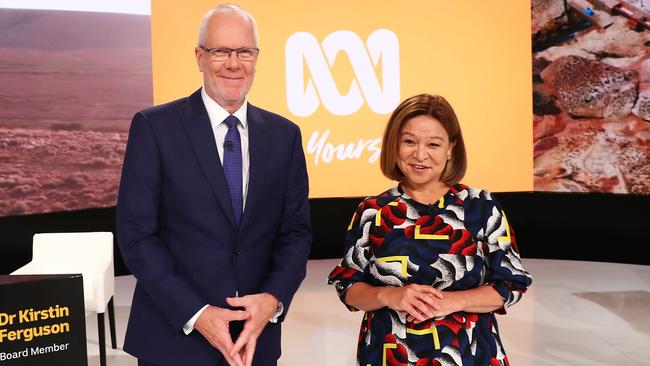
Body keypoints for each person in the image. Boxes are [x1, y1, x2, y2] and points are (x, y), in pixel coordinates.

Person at [116, 4, 311, 366]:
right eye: (220, 51)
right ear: (199, 56)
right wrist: (197, 313)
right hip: (174, 340)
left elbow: (296, 232)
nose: (233, 63)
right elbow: (137, 236)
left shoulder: (285, 136)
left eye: (244, 52)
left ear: (257, 58)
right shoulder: (154, 128)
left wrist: (272, 300)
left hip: (256, 342)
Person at [327, 94, 532, 365]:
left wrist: (451, 301)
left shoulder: (480, 206)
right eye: (409, 142)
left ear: (451, 148)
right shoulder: (373, 211)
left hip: (469, 355)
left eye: (433, 144)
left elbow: (511, 285)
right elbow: (349, 287)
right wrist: (390, 295)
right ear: (394, 145)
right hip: (388, 355)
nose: (420, 155)